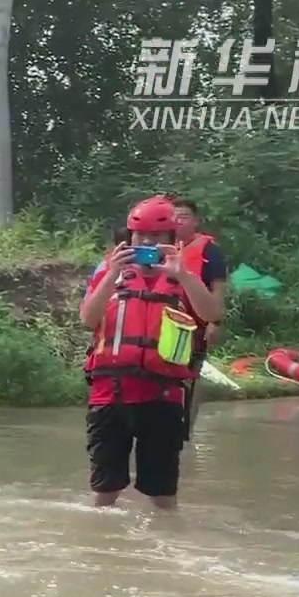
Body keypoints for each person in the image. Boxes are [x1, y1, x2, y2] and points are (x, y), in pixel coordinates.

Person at [79, 196, 225, 510]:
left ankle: (165, 550)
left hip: (163, 397)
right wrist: (110, 276)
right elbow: (88, 319)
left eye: (158, 237)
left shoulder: (184, 274)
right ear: (129, 238)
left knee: (163, 497)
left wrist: (184, 275)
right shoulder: (109, 270)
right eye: (141, 236)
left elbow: (212, 313)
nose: (149, 243)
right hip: (110, 395)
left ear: (173, 239)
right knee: (105, 492)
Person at [169, 198, 229, 352]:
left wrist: (215, 323)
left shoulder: (210, 250)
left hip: (196, 322)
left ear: (196, 221)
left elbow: (218, 288)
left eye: (184, 217)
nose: (178, 221)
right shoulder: (162, 248)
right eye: (174, 217)